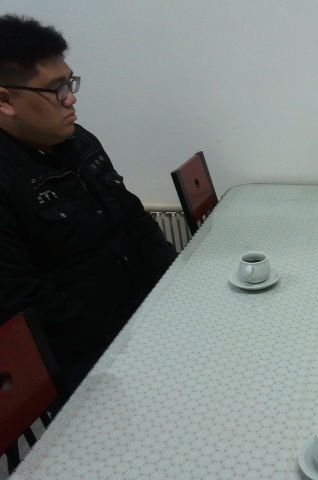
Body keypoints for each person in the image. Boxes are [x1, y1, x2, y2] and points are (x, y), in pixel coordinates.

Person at [0, 14, 177, 392]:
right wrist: (126, 335)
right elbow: (21, 301)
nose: (71, 98)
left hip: (145, 316)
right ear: (5, 100)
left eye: (70, 83)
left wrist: (175, 286)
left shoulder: (78, 140)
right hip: (86, 355)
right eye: (56, 90)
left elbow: (132, 218)